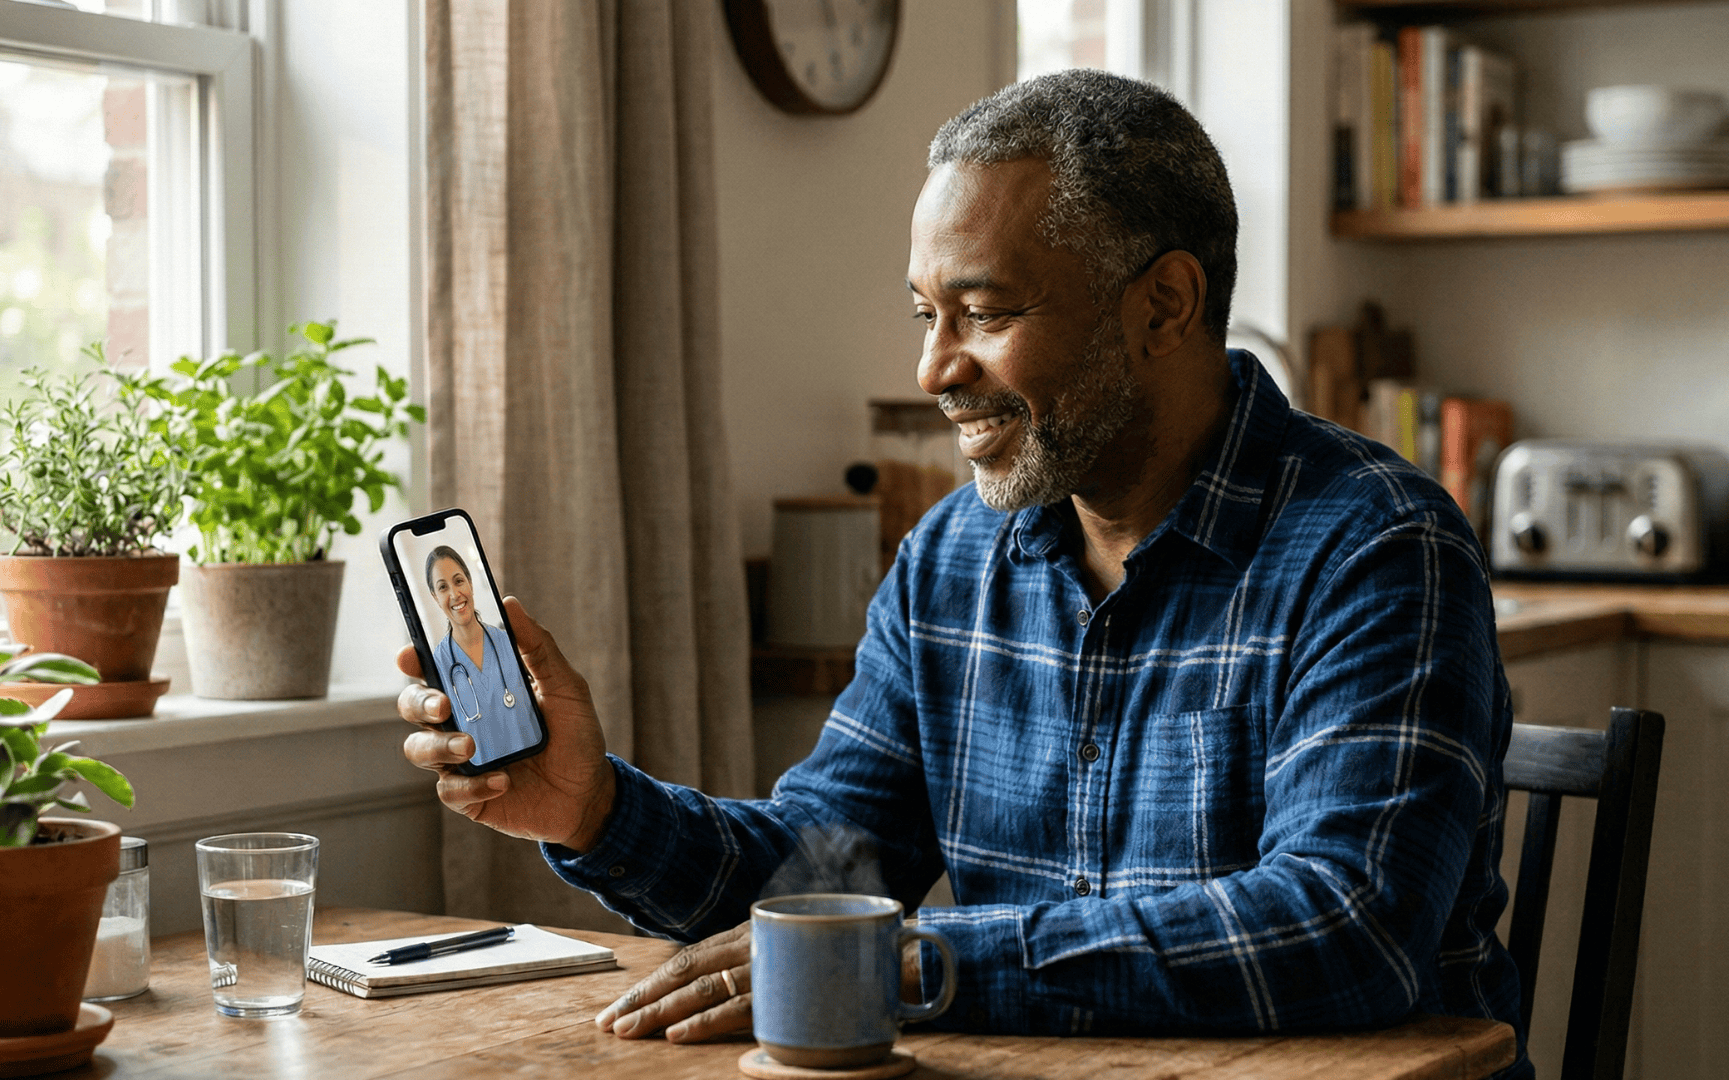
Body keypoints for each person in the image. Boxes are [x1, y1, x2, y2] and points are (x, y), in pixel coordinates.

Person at [399, 70, 1528, 1078]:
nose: (936, 369)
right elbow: (823, 873)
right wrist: (594, 808)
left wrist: (915, 963)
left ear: (1165, 305)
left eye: (983, 312)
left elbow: (1345, 931)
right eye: (926, 314)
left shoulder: (1379, 546)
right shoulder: (952, 560)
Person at [424, 545, 541, 769]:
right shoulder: (438, 663)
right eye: (442, 587)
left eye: (458, 581)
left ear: (470, 582)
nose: (454, 594)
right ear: (435, 597)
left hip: (533, 765)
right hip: (485, 780)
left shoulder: (509, 642)